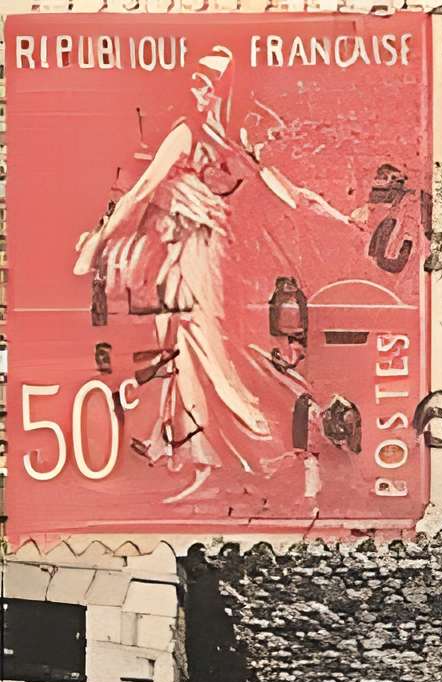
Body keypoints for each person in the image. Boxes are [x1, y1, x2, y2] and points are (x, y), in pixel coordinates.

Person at [70, 49, 361, 499]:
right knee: (191, 355)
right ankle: (205, 466)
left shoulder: (214, 139)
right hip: (193, 260)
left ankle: (273, 453)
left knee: (218, 361)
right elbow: (145, 192)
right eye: (197, 80)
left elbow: (288, 193)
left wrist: (343, 220)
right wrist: (102, 239)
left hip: (210, 262)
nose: (199, 88)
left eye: (209, 82)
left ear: (225, 89)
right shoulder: (208, 137)